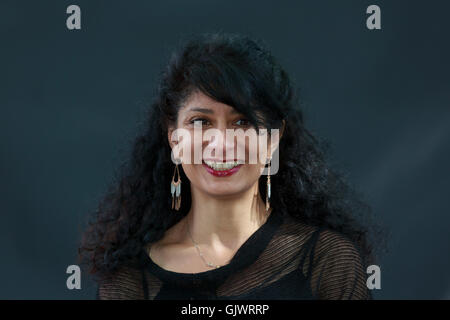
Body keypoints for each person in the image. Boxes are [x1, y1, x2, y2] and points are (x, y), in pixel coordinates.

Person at [78, 32, 379, 300]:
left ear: (273, 139)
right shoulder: (131, 280)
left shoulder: (326, 262)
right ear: (174, 139)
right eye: (201, 122)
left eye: (242, 122)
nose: (221, 144)